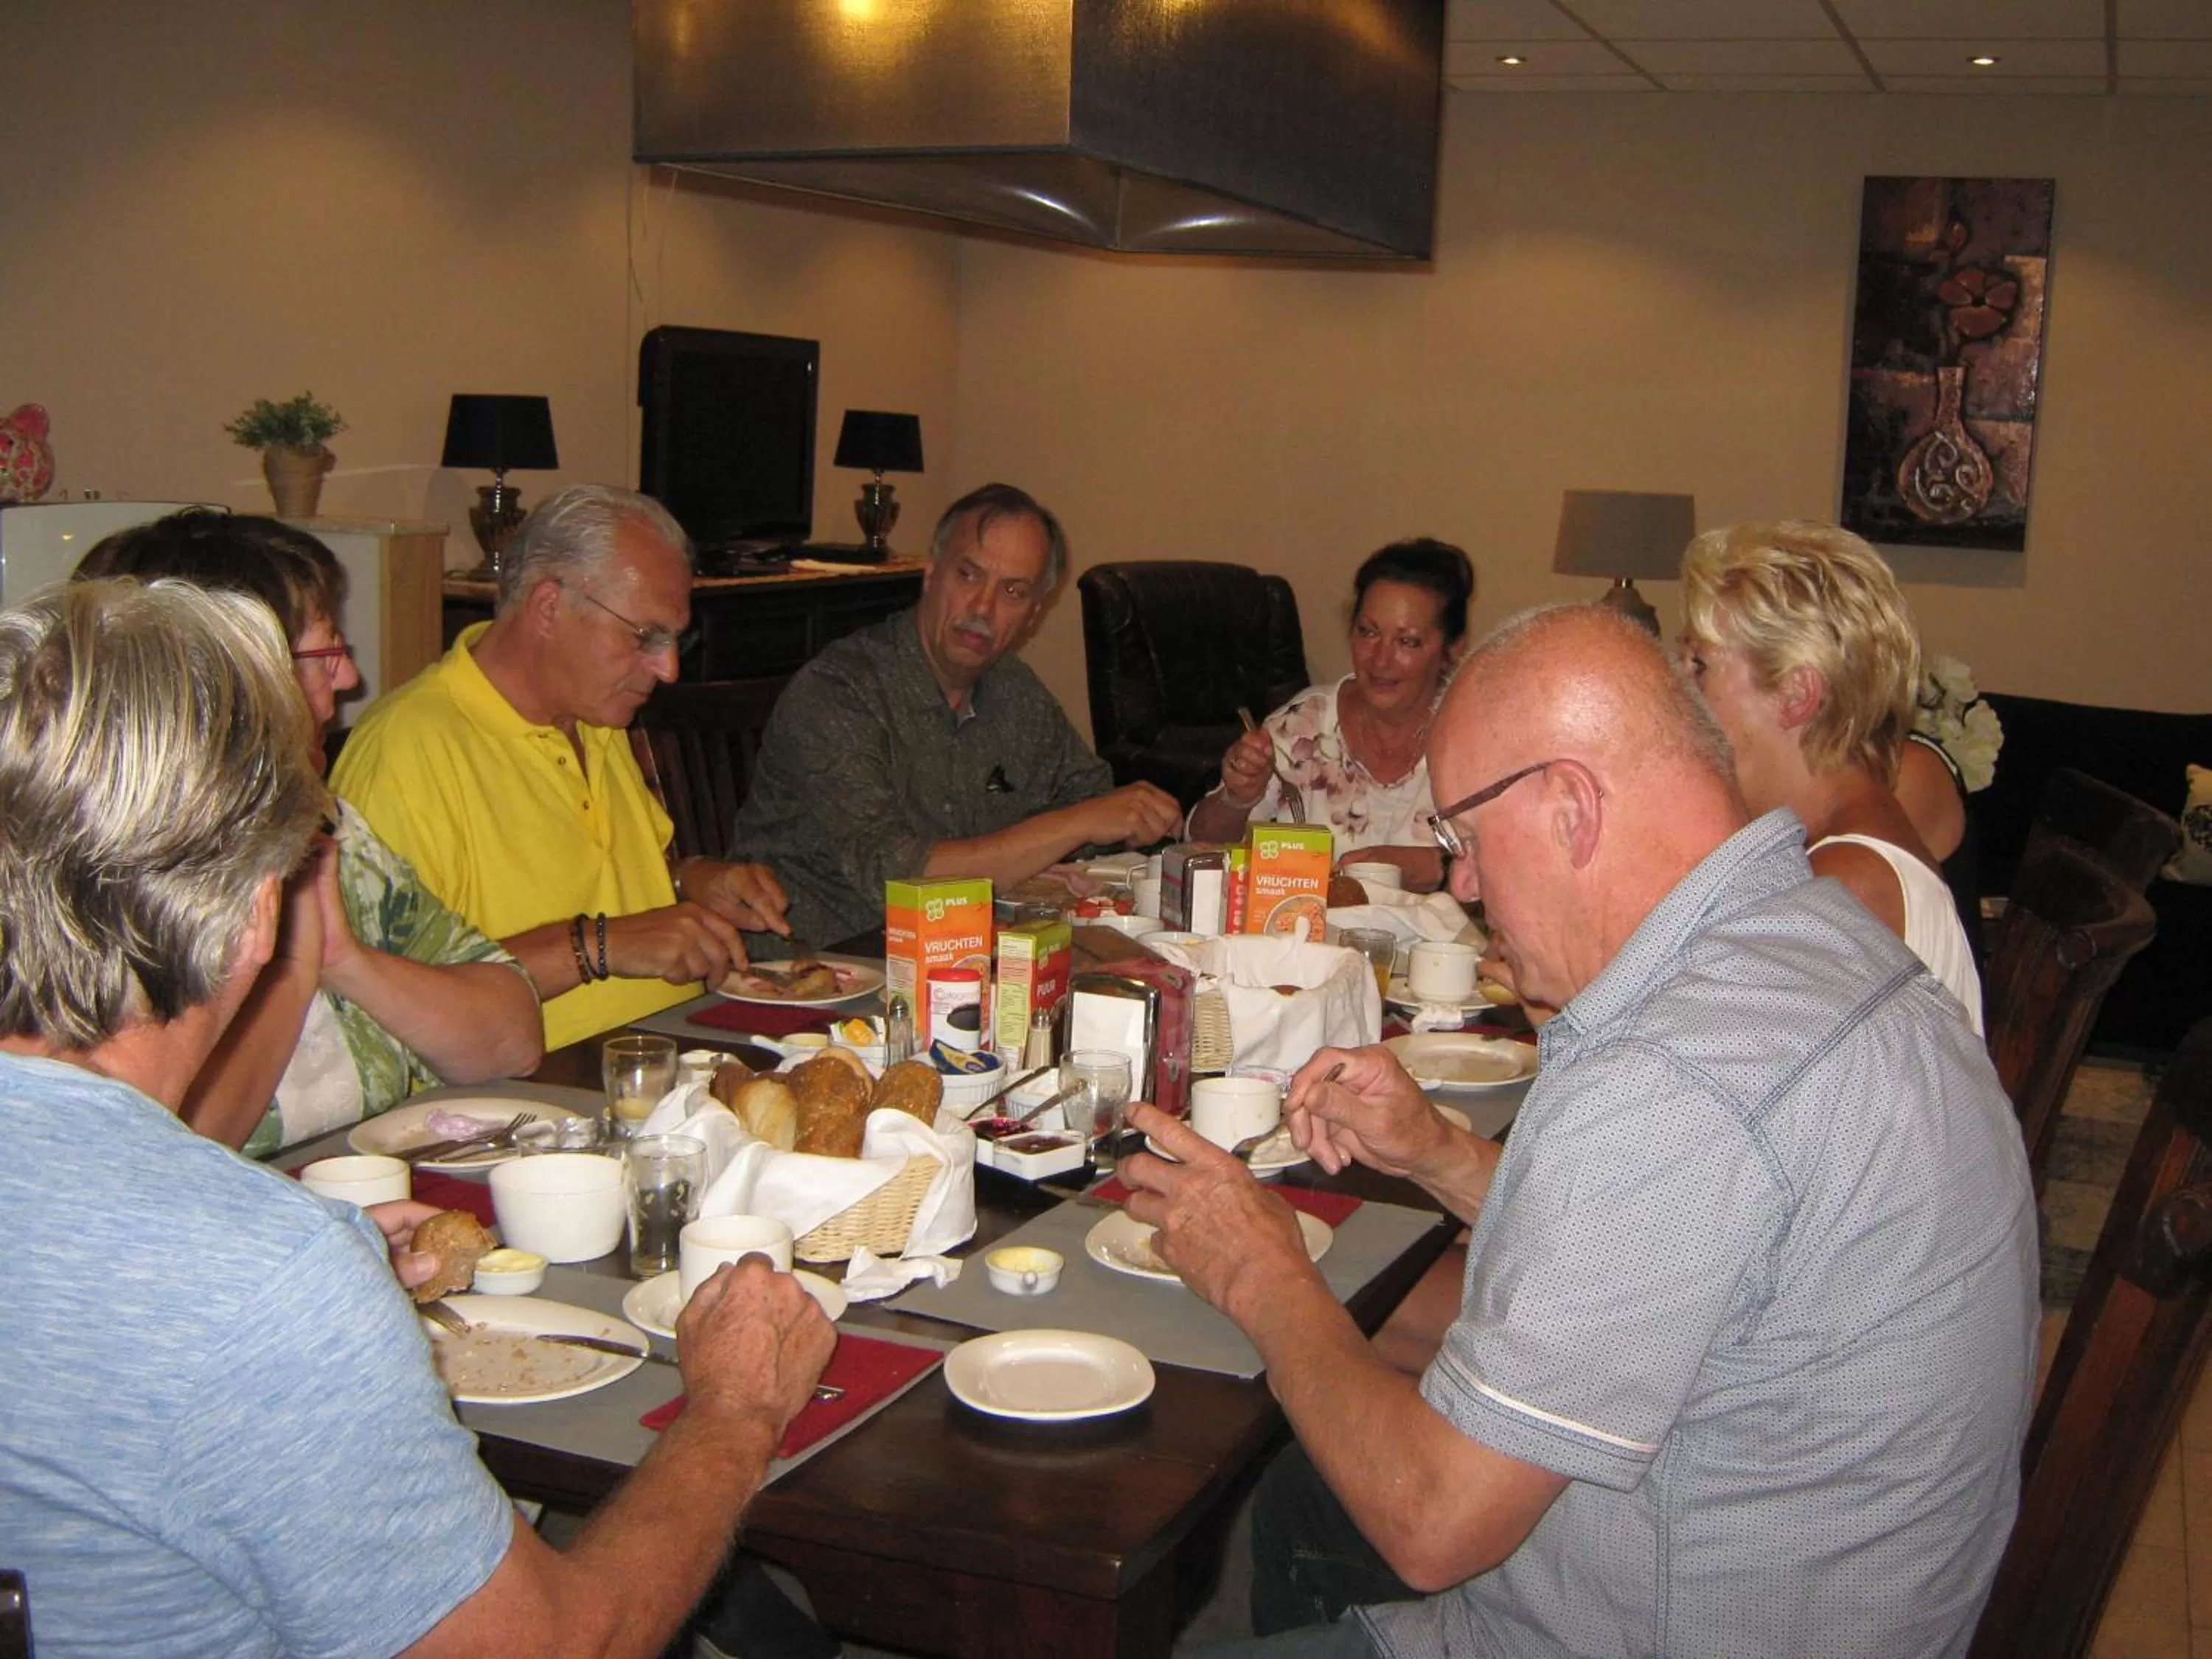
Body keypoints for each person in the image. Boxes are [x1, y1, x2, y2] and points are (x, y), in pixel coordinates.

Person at [1122, 605, 2038, 1658]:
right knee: (1303, 1499)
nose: (1463, 883)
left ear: (1571, 807)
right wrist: (1421, 1170)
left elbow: (1432, 1519)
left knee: (1296, 1516)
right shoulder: (1811, 933)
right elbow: (1640, 1266)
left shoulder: (1671, 1071)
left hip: (1651, 1623)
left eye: (1463, 838)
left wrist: (1261, 1275)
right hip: (1805, 1571)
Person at [0, 577, 835, 1657]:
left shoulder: (254, 1263)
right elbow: (557, 1645)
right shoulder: (262, 1283)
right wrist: (736, 1413)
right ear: (263, 908)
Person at [71, 510, 543, 1155]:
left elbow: (513, 1038)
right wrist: (292, 969)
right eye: (325, 653)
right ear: (236, 677)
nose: (349, 678)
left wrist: (347, 961)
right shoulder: (117, 879)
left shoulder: (327, 827)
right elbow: (156, 1155)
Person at [333, 485, 792, 1050]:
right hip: (523, 1108)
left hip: (666, 1065)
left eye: (677, 639)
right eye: (646, 636)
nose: (669, 668)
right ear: (549, 607)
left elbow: (599, 878)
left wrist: (689, 880)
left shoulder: (598, 718)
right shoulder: (407, 752)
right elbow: (369, 1005)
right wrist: (595, 947)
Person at [731, 481, 1183, 947]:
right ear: (930, 575)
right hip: (811, 977)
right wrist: (1083, 821)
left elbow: (1092, 808)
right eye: (968, 575)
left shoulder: (1013, 689)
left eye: (1013, 591)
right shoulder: (839, 692)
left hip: (954, 964)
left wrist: (1140, 819)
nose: (983, 607)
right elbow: (901, 880)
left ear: (1032, 615)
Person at [1679, 518, 1983, 1032]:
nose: (1678, 685)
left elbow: (1720, 1069)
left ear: (1797, 695)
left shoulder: (1847, 881)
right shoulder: (1824, 838)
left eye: (1699, 665)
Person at [1190, 538, 1474, 892]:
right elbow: (1201, 846)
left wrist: (1440, 867)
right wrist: (1237, 797)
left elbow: (1524, 875)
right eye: (1368, 633)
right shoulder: (1303, 726)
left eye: (1408, 642)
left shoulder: (1480, 742)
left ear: (1452, 650)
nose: (1380, 660)